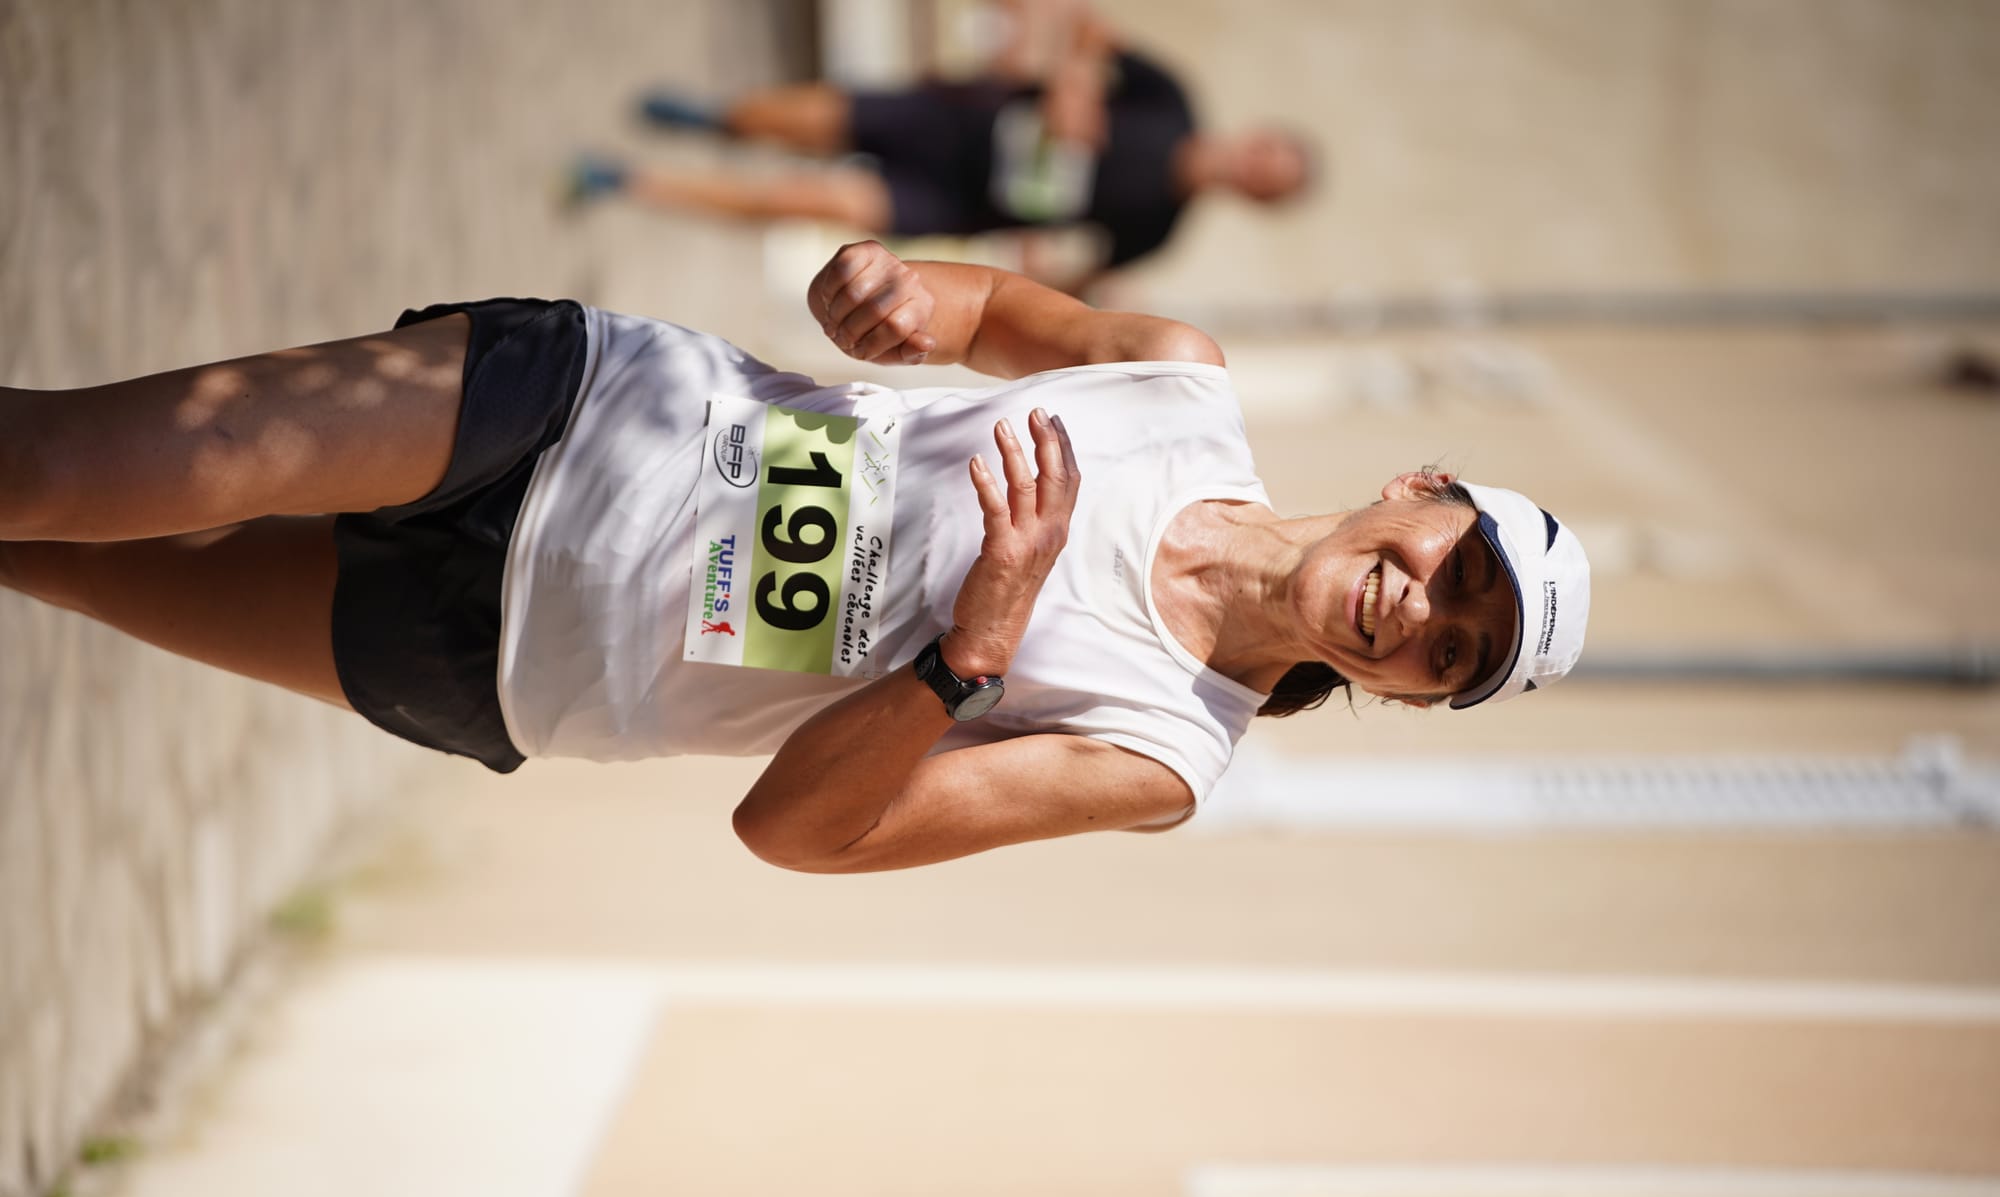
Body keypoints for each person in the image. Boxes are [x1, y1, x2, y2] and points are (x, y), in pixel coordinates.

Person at [0, 241, 1589, 872]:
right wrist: (884, 292)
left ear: (1407, 689)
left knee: (37, 557)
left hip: (508, 657)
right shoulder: (1175, 379)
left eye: (1451, 652)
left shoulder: (1161, 749)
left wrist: (973, 650)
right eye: (1457, 567)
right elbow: (969, 311)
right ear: (1421, 486)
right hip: (580, 411)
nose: (1418, 612)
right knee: (45, 471)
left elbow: (801, 831)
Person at [570, 13, 1312, 291]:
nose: (1249, 169)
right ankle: (719, 119)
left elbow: (1076, 281)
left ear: (1254, 201)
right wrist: (1072, 88)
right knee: (786, 119)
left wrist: (1037, 265)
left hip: (955, 201)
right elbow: (1086, 32)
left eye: (1263, 184)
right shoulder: (1169, 98)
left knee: (804, 203)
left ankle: (627, 181)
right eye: (1264, 155)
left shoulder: (1159, 229)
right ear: (1255, 137)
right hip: (954, 121)